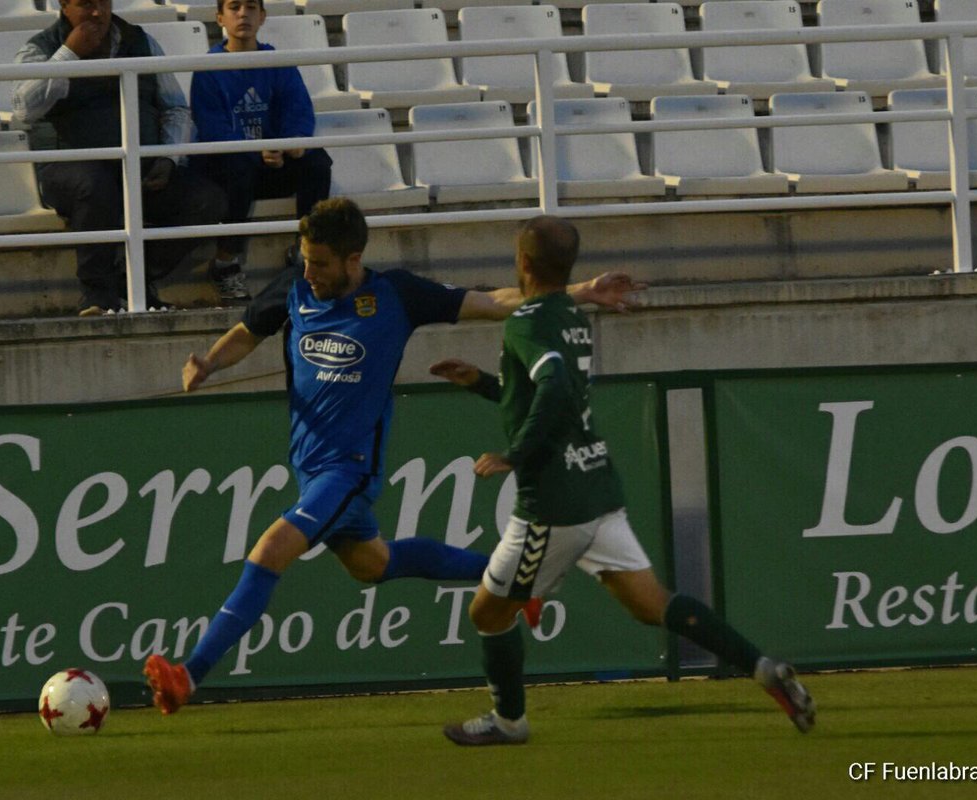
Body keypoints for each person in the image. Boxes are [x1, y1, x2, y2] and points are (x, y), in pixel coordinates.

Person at [143, 198, 642, 713]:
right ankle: (520, 582)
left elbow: (492, 302)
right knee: (373, 564)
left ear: (353, 260)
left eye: (319, 262)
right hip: (309, 466)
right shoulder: (294, 288)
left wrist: (578, 291)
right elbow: (249, 332)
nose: (308, 271)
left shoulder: (398, 294)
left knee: (270, 552)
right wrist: (209, 362)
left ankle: (188, 676)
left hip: (349, 470)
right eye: (306, 259)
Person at [429, 216, 816, 746]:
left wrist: (517, 454)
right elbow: (544, 393)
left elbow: (556, 388)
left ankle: (509, 722)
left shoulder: (525, 322)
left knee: (487, 611)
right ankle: (762, 666)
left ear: (521, 263)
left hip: (554, 503)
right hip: (595, 489)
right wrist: (480, 383)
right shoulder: (570, 314)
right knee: (650, 603)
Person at [13, 0, 229, 316]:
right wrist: (68, 55)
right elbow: (23, 109)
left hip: (138, 166)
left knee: (207, 200)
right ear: (63, 5)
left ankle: (132, 281)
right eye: (87, 4)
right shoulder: (40, 47)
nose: (98, 13)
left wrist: (168, 158)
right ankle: (97, 296)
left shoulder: (141, 42)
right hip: (68, 168)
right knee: (95, 184)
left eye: (104, 3)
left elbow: (175, 108)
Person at [190, 0, 334, 300]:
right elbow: (212, 128)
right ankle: (225, 263)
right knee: (238, 169)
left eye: (251, 7)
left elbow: (298, 109)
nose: (243, 14)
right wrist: (255, 152)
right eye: (234, 7)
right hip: (229, 169)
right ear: (220, 18)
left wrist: (293, 141)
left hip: (273, 162)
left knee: (317, 161)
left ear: (262, 16)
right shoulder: (208, 68)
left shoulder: (277, 62)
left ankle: (306, 253)